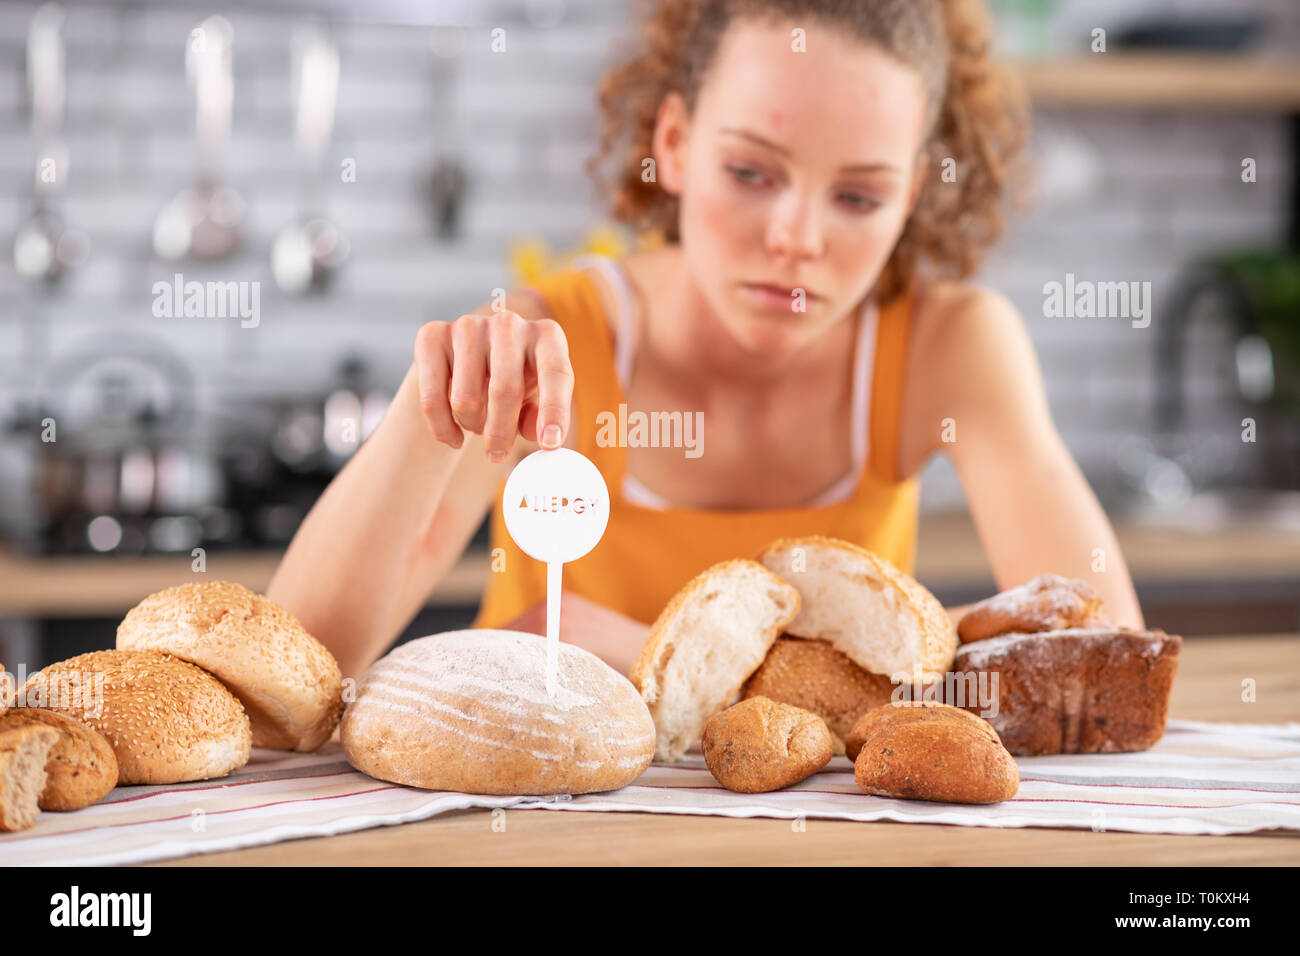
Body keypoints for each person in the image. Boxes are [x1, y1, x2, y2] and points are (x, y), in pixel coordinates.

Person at [268, 0, 1143, 682]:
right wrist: (426, 417)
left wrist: (656, 654)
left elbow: (1104, 658)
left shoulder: (946, 348)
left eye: (859, 196)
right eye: (751, 172)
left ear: (912, 193)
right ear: (676, 145)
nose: (796, 237)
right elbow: (293, 675)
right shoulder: (559, 340)